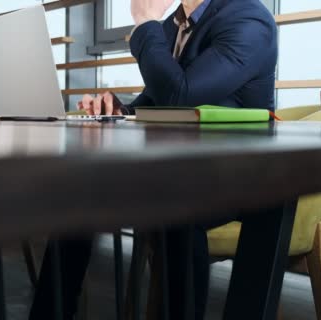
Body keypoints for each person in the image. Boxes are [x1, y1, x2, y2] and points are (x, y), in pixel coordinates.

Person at [30, 0, 278, 319]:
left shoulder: (248, 18)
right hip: (181, 170)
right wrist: (118, 109)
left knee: (176, 205)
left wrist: (145, 22)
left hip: (240, 176)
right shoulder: (172, 26)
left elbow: (181, 94)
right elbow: (155, 101)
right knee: (80, 195)